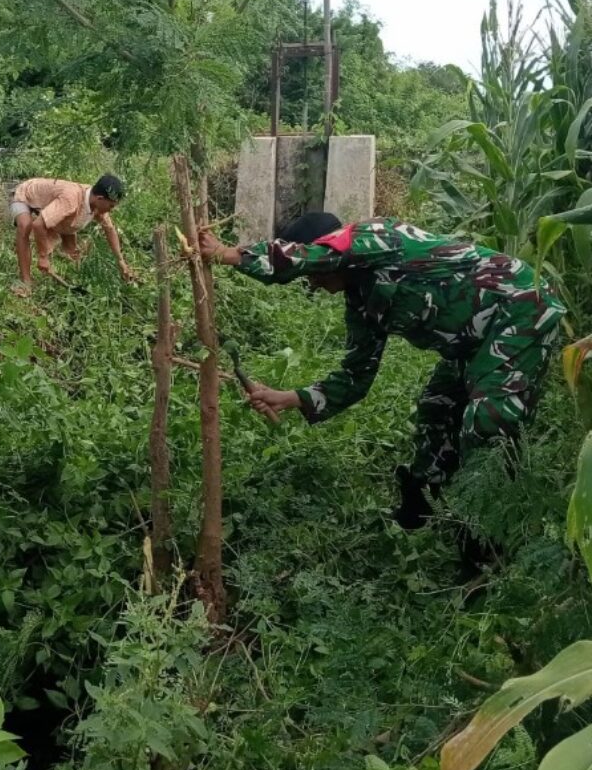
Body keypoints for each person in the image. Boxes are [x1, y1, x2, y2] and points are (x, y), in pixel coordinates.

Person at [199, 212, 566, 531]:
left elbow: (310, 256)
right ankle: (428, 504)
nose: (312, 281)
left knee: (489, 419)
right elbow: (357, 375)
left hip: (521, 306)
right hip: (473, 341)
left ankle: (495, 526)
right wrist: (291, 398)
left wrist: (230, 254)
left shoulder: (376, 237)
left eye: (314, 272)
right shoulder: (362, 301)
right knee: (437, 407)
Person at [10, 175, 135, 289]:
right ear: (100, 198)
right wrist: (43, 257)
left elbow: (110, 230)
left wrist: (121, 261)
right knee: (25, 226)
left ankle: (70, 273)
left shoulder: (94, 202)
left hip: (52, 203)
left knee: (72, 252)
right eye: (111, 206)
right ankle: (25, 280)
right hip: (26, 194)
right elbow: (38, 225)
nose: (111, 210)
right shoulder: (71, 200)